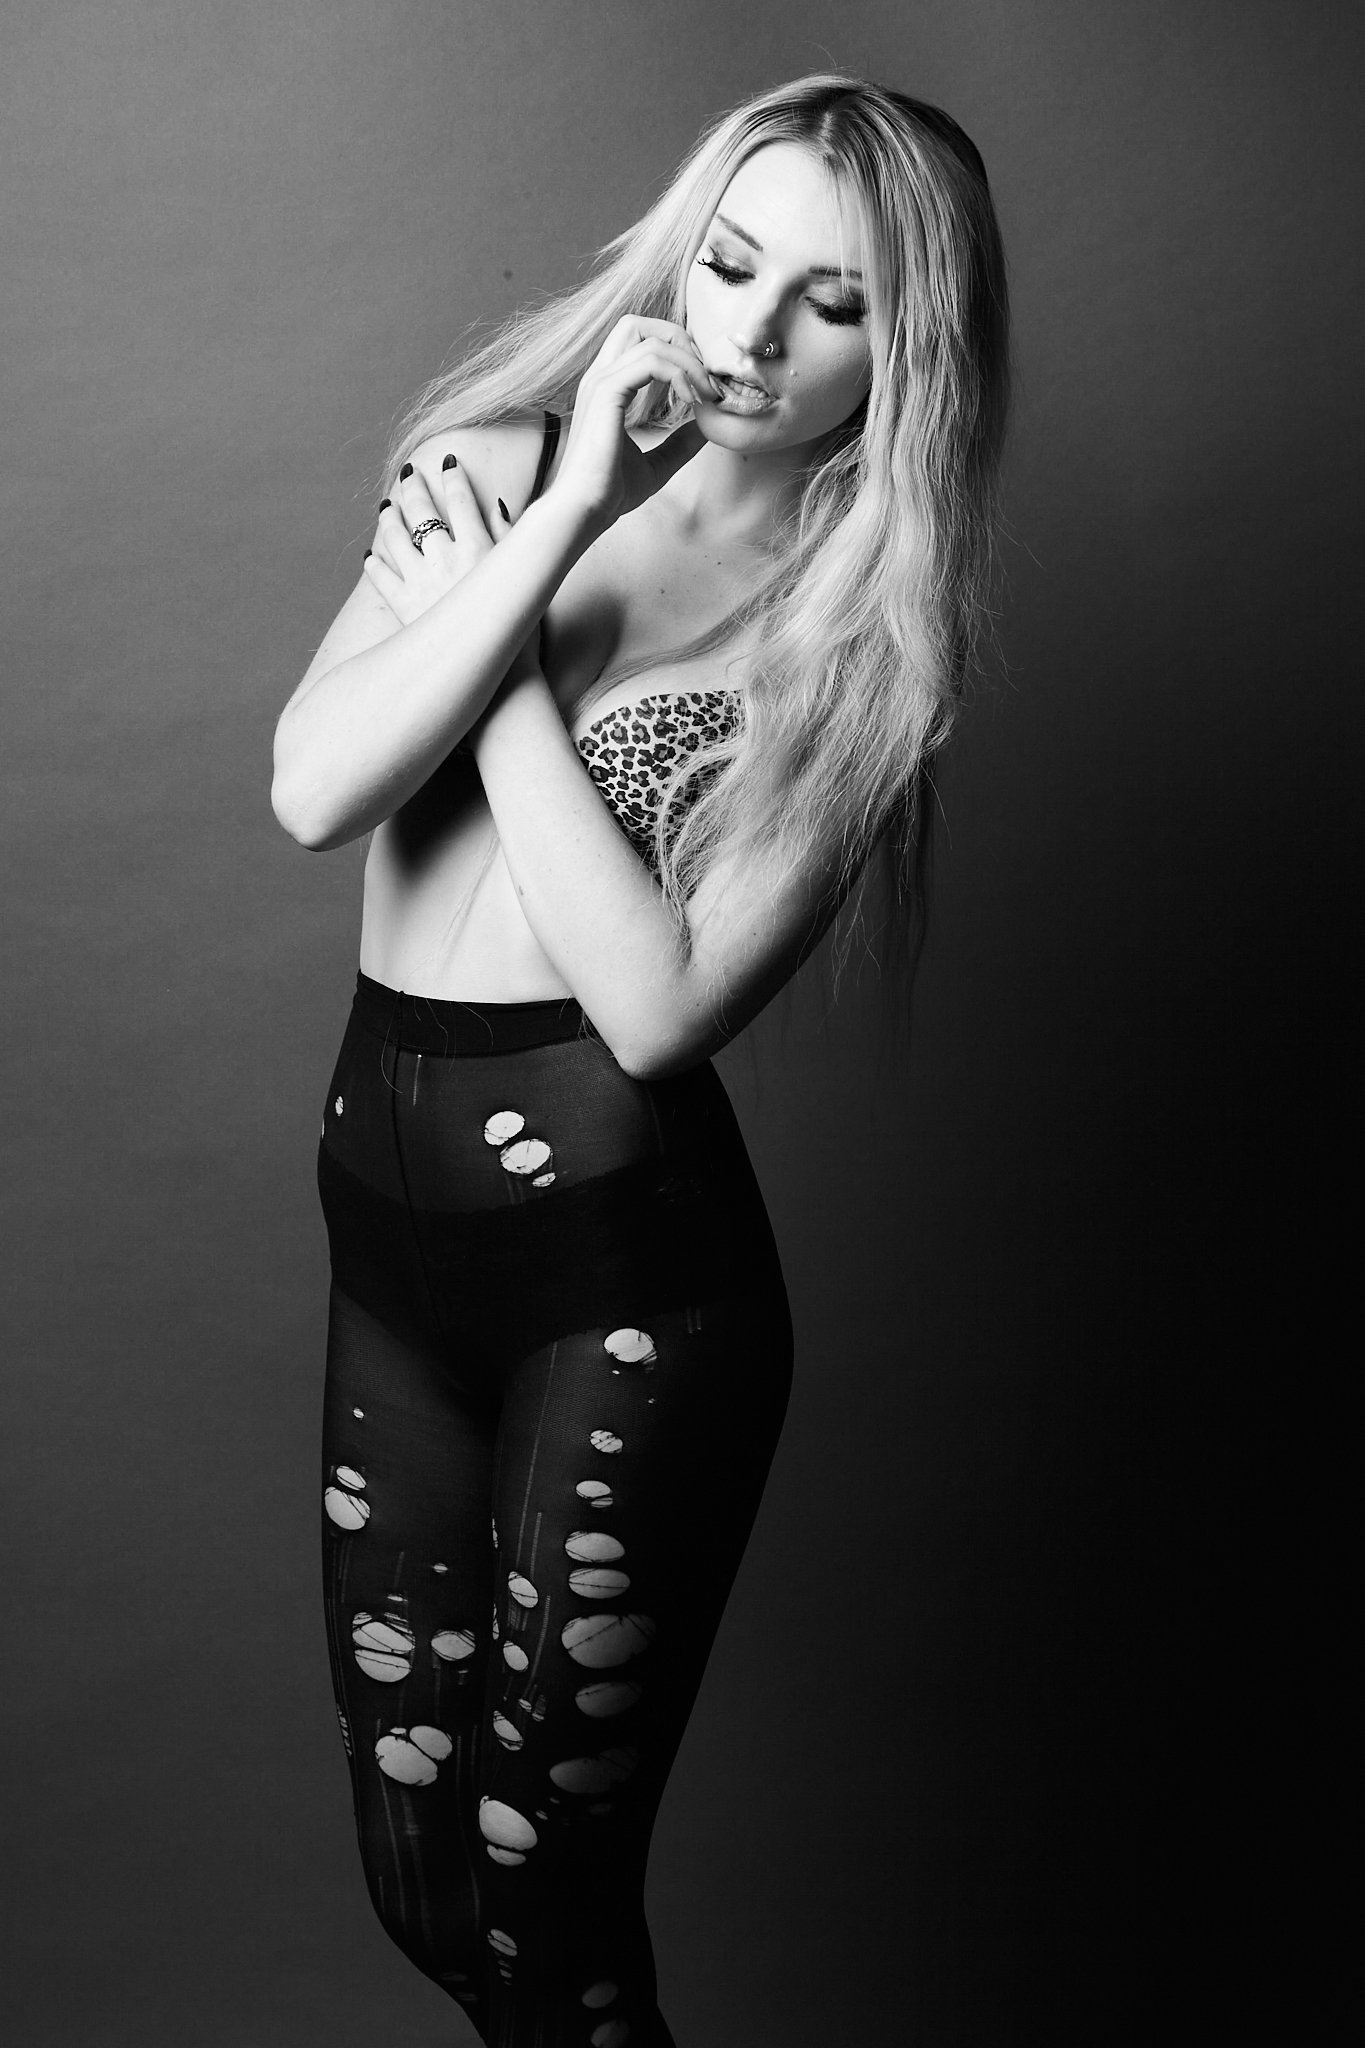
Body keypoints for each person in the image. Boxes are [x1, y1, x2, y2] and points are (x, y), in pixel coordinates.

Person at [272, 72, 1008, 2048]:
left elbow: (659, 1008)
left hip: (628, 1296)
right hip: (388, 1258)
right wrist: (564, 517)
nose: (752, 334)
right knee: (424, 1880)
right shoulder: (494, 463)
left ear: (907, 354)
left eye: (834, 305)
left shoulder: (862, 644)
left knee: (546, 1894)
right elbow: (316, 789)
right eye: (733, 262)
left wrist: (504, 635)